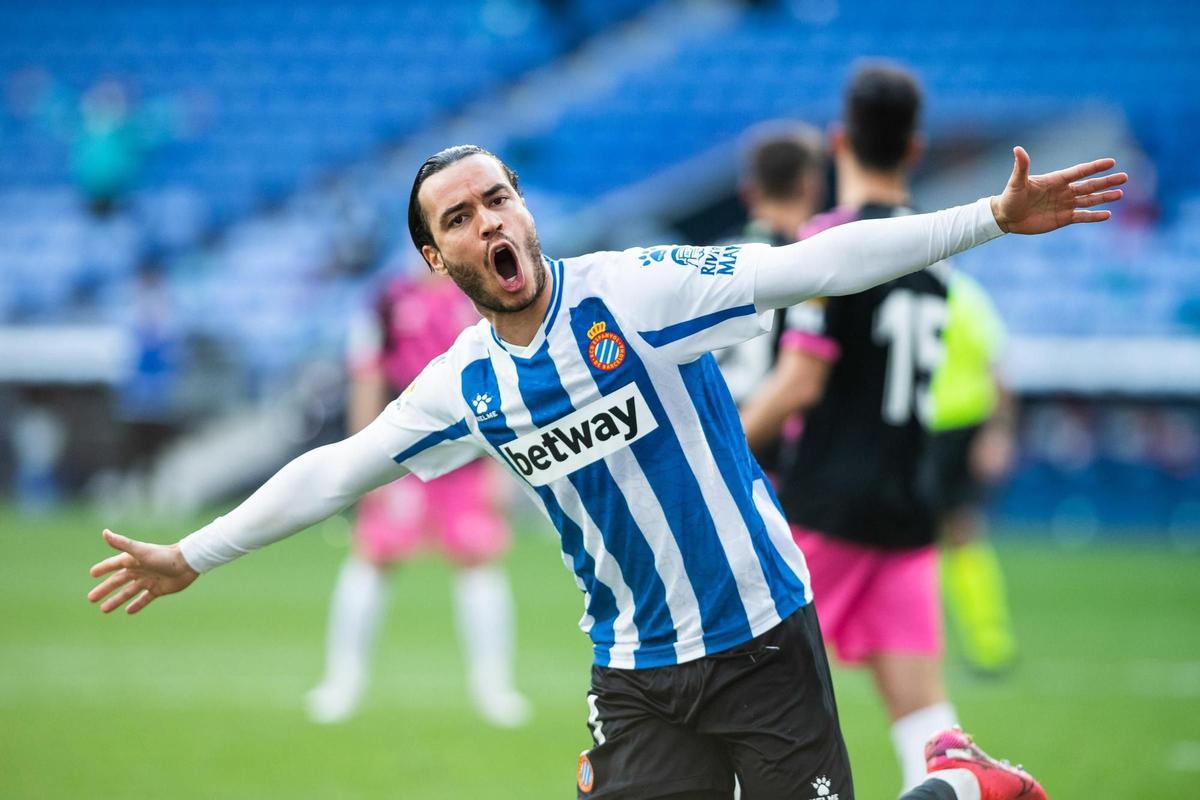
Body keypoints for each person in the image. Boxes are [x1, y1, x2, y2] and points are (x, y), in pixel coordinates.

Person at [88, 141, 1122, 799]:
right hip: (633, 672)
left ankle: (951, 785)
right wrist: (192, 551)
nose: (488, 221)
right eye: (459, 218)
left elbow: (812, 265)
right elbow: (336, 470)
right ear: (436, 261)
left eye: (498, 198)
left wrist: (988, 217)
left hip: (760, 635)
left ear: (525, 210)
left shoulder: (637, 291)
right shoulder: (465, 386)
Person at [736, 64, 1023, 792]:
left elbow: (801, 381)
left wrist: (719, 452)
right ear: (915, 149)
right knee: (923, 715)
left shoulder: (826, 244)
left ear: (838, 141)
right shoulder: (937, 267)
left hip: (827, 507)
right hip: (906, 505)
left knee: (745, 706)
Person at [306, 265, 528, 727]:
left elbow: (505, 378)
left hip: (469, 456)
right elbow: (367, 378)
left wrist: (503, 464)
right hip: (401, 455)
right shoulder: (385, 300)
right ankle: (342, 683)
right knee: (373, 557)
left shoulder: (480, 295)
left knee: (477, 559)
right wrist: (361, 464)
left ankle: (494, 687)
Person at [925, 271, 1020, 675]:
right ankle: (921, 642)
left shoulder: (962, 294)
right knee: (912, 539)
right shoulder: (960, 291)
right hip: (917, 431)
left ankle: (989, 643)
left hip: (957, 431)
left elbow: (996, 367)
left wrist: (996, 432)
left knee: (962, 532)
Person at [714, 122, 826, 406]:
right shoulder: (809, 262)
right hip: (770, 424)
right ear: (811, 187)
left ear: (749, 192)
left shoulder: (710, 261)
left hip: (714, 422)